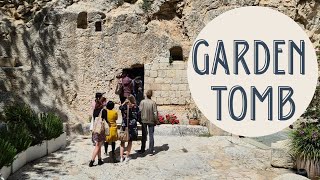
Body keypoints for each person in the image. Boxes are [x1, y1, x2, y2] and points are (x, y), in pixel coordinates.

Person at [119, 95, 139, 162]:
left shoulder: (124, 107)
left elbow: (120, 107)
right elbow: (138, 116)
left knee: (122, 141)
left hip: (125, 125)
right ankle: (127, 156)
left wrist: (124, 103)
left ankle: (121, 157)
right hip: (132, 126)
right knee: (130, 141)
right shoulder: (135, 107)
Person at [138, 90, 158, 155]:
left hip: (144, 120)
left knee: (144, 135)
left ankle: (142, 149)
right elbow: (155, 113)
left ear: (146, 94)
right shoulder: (153, 103)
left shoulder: (142, 102)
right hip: (151, 120)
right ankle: (151, 151)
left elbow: (139, 111)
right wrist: (156, 120)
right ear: (151, 95)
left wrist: (139, 119)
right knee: (151, 135)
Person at [89, 102, 108, 167]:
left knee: (98, 145)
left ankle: (99, 159)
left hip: (96, 129)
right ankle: (92, 161)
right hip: (100, 131)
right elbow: (106, 120)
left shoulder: (95, 110)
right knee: (97, 145)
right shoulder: (104, 111)